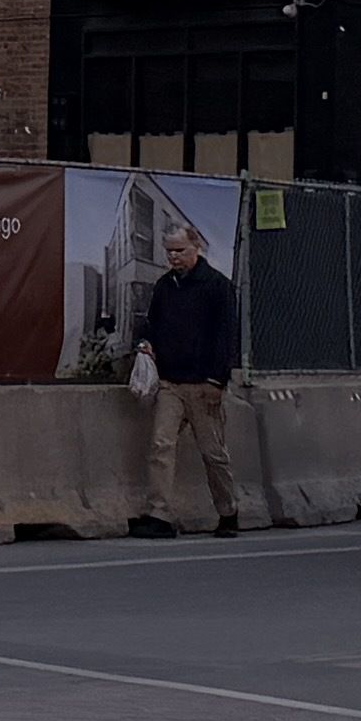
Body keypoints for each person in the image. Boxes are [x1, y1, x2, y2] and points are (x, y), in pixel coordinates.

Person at [129, 209, 249, 538]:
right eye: (169, 251)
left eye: (179, 250)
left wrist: (217, 380)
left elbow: (226, 337)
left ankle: (227, 511)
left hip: (203, 384)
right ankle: (160, 515)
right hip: (170, 382)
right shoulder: (165, 287)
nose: (173, 257)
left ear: (196, 247)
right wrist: (146, 344)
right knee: (161, 445)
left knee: (213, 453)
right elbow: (150, 323)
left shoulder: (217, 287)